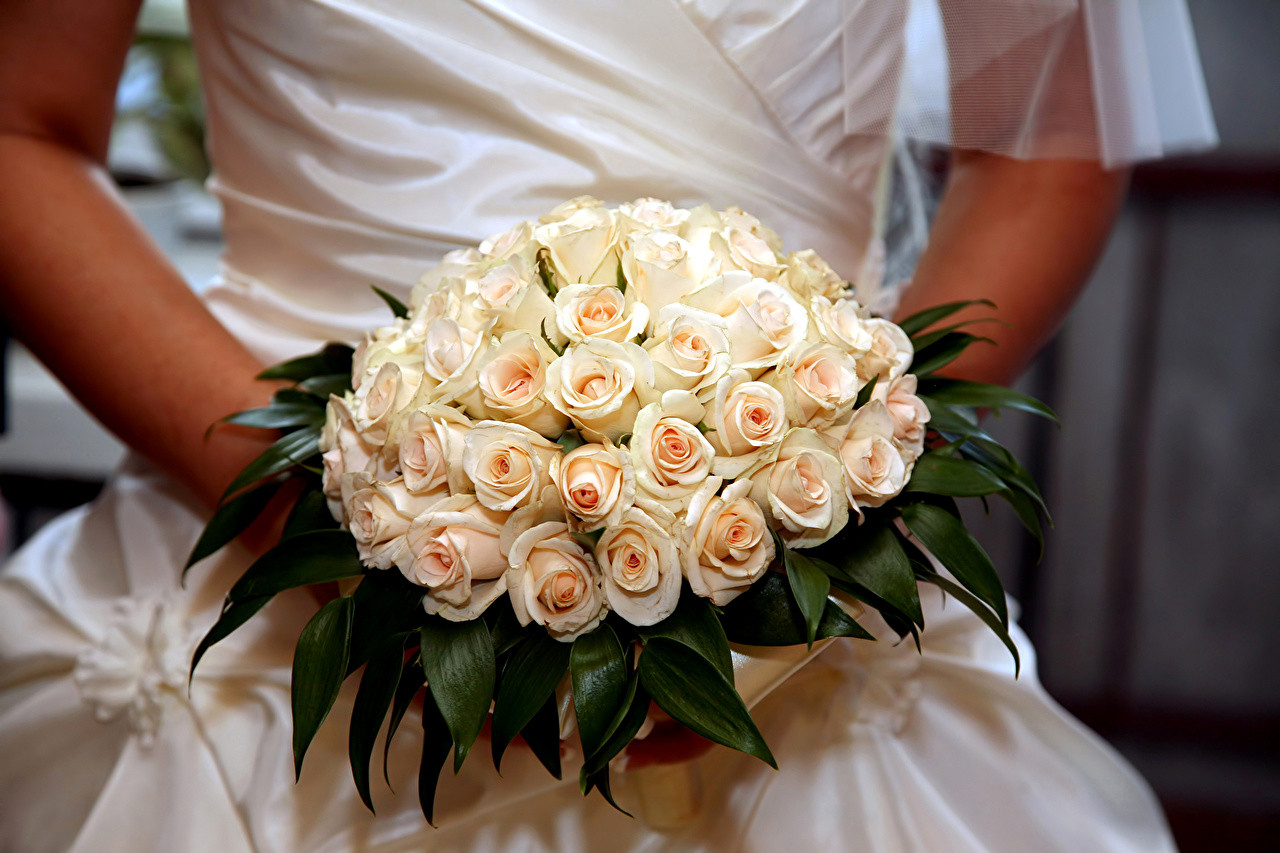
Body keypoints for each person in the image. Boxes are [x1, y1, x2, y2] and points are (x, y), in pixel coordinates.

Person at [0, 1, 1217, 850]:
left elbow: (1045, 146)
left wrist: (839, 476)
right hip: (291, 534)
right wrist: (351, 524)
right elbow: (22, 127)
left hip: (805, 594)